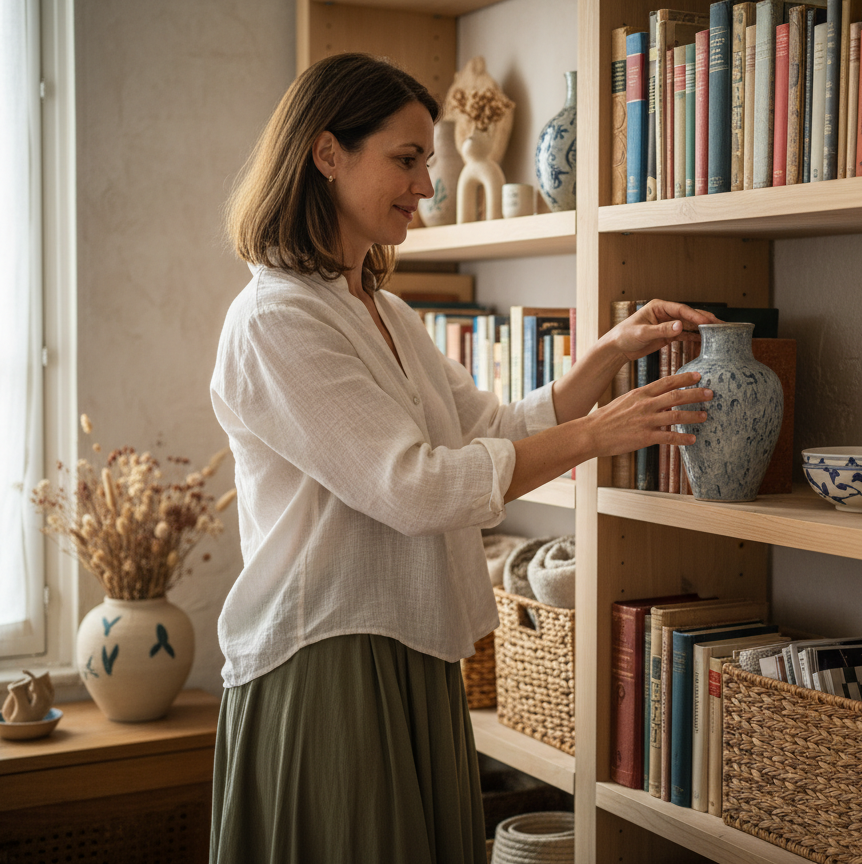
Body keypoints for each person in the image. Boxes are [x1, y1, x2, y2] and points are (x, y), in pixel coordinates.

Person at [209, 53, 716, 863]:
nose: (426, 186)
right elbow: (416, 489)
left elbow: (494, 427)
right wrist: (597, 435)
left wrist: (608, 355)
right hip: (329, 664)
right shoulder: (276, 320)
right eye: (406, 160)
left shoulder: (384, 312)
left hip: (411, 647)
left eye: (429, 163)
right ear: (326, 153)